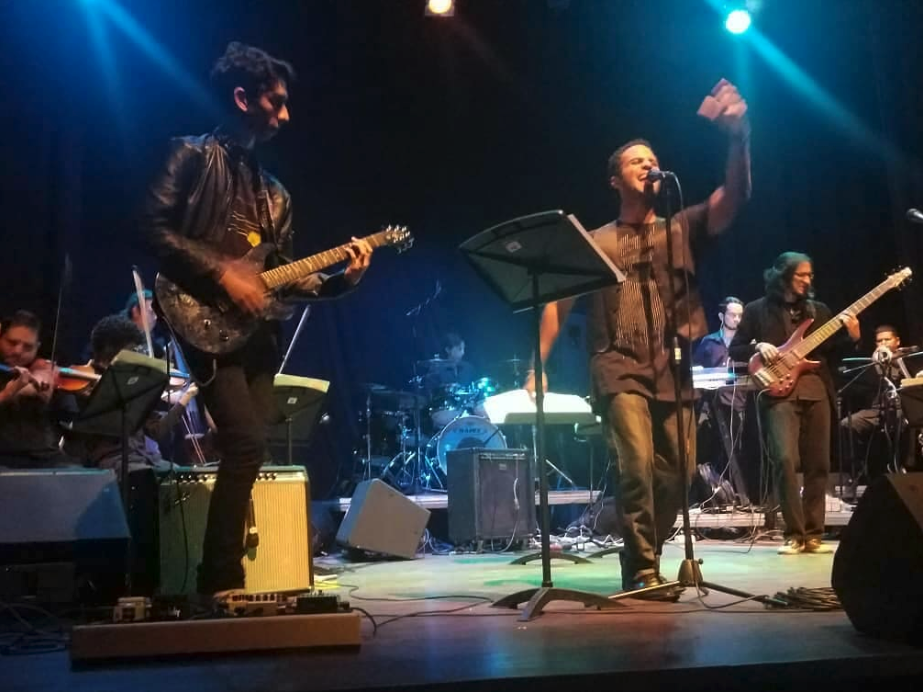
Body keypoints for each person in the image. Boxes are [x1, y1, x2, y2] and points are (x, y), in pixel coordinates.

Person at [140, 42, 375, 597]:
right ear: (243, 98)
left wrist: (342, 280)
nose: (286, 115)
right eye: (276, 101)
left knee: (251, 445)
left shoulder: (275, 195)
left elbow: (282, 276)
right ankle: (220, 579)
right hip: (198, 314)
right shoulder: (189, 156)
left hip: (255, 333)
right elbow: (152, 228)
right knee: (245, 442)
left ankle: (225, 569)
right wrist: (223, 274)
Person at [526, 79, 751, 598]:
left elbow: (733, 197)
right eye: (636, 162)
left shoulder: (681, 227)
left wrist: (739, 138)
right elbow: (557, 304)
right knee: (636, 464)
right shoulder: (596, 241)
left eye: (653, 160)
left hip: (673, 367)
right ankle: (642, 568)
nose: (649, 165)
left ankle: (645, 552)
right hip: (617, 365)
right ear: (615, 180)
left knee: (680, 470)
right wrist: (537, 365)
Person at [729, 252, 859, 555]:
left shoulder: (819, 310)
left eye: (810, 275)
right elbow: (736, 348)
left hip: (816, 390)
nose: (807, 280)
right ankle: (793, 533)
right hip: (779, 395)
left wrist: (853, 338)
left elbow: (832, 354)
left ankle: (813, 534)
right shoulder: (757, 310)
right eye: (802, 274)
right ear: (783, 275)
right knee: (785, 460)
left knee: (819, 464)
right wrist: (757, 346)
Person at [63, 315, 198, 478]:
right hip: (110, 461)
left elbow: (156, 429)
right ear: (111, 351)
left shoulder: (130, 384)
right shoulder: (80, 381)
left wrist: (185, 397)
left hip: (144, 458)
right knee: (142, 476)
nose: (135, 358)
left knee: (184, 476)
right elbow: (71, 438)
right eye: (131, 352)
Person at [0, 310, 78, 469]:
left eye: (28, 347)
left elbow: (44, 386)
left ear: (37, 347)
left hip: (44, 456)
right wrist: (8, 392)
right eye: (12, 342)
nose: (18, 351)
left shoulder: (41, 366)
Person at [840, 324, 908, 476]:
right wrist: (875, 364)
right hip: (877, 411)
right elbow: (861, 386)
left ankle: (902, 466)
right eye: (879, 341)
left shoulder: (906, 359)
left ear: (897, 341)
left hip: (903, 409)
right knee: (848, 424)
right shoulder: (872, 362)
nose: (883, 343)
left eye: (887, 340)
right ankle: (859, 469)